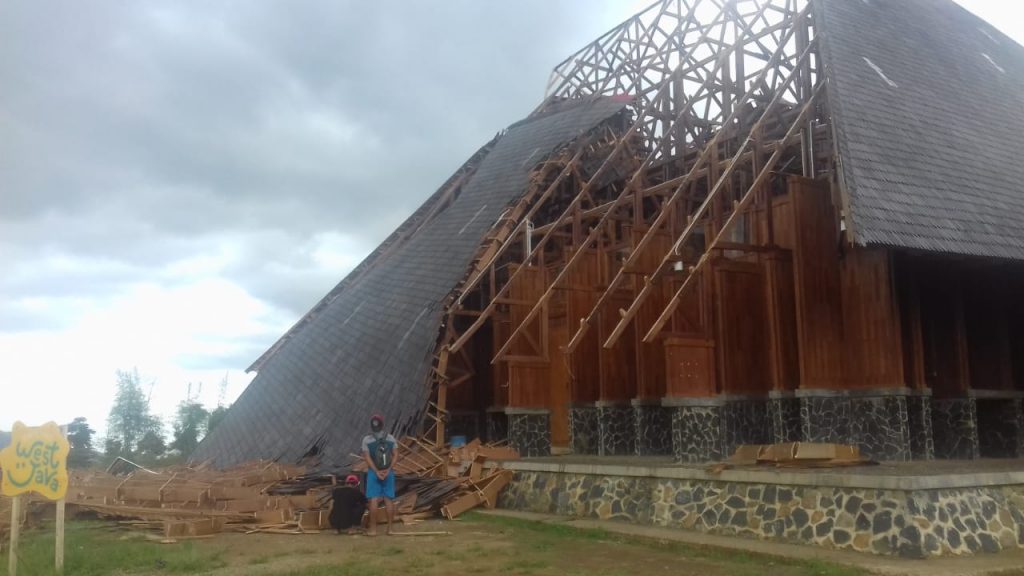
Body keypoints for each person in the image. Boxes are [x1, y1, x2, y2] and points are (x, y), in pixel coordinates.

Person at [361, 414, 398, 536]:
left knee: (374, 499)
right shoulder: (391, 438)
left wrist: (376, 471)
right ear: (382, 424)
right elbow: (396, 455)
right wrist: (388, 469)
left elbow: (367, 458)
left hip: (373, 472)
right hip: (388, 472)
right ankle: (390, 529)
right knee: (388, 499)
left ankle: (373, 530)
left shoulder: (367, 440)